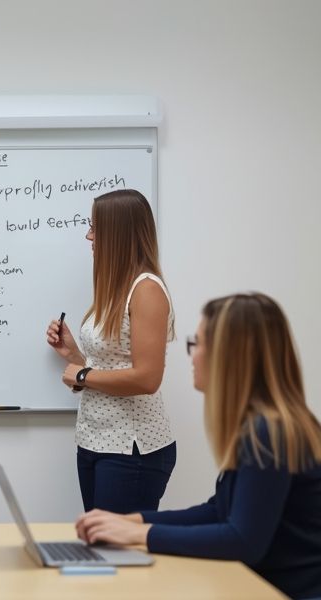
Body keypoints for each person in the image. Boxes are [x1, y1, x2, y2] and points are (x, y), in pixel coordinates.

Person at [75, 293, 321, 600]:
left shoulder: (269, 432)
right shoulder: (261, 425)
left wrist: (140, 533)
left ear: (230, 355)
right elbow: (219, 511)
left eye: (198, 343)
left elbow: (243, 541)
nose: (192, 356)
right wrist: (133, 521)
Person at [47, 189, 177, 513]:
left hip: (132, 449)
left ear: (118, 232)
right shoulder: (116, 288)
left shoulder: (146, 290)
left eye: (95, 227)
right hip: (94, 441)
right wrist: (73, 355)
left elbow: (147, 379)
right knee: (97, 540)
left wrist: (81, 374)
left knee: (116, 544)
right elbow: (108, 368)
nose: (89, 236)